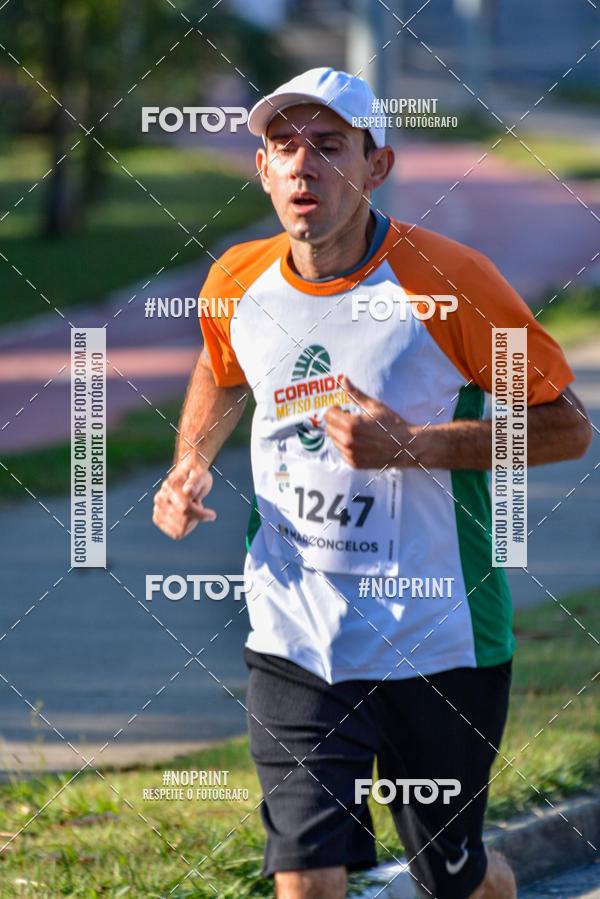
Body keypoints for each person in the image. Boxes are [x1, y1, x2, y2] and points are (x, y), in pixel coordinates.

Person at [153, 67, 592, 899]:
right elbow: (223, 372)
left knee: (452, 876)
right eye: (284, 147)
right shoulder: (237, 282)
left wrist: (417, 445)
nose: (303, 167)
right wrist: (191, 461)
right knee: (306, 877)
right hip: (297, 635)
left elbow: (567, 427)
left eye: (328, 146)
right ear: (262, 170)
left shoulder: (450, 282)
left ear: (376, 165)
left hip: (439, 635)